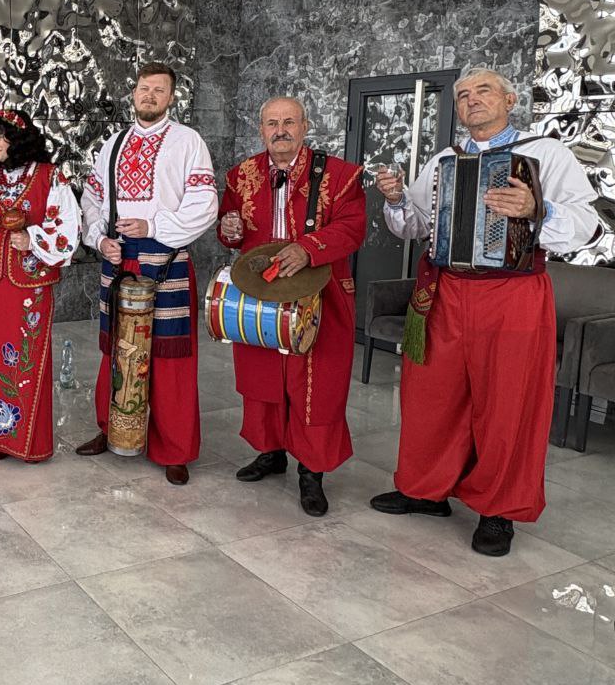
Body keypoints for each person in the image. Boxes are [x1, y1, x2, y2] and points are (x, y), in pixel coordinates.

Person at [372, 67, 598, 556]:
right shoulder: (444, 159)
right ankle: (426, 490)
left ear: (510, 100)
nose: (472, 99)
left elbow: (587, 225)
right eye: (463, 94)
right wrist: (396, 199)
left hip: (513, 293)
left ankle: (498, 509)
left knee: (507, 401)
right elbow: (414, 226)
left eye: (484, 91)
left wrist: (537, 208)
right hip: (447, 291)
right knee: (432, 393)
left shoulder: (547, 154)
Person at [218, 96, 366, 515]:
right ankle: (270, 452)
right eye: (271, 123)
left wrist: (308, 248)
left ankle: (312, 472)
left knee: (316, 384)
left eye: (288, 122)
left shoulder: (341, 175)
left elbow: (352, 227)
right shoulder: (241, 175)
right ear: (261, 129)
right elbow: (230, 230)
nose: (279, 130)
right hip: (261, 290)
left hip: (322, 289)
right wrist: (228, 229)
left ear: (305, 126)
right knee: (262, 374)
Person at [75, 62, 218, 485]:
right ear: (133, 93)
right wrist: (100, 238)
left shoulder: (188, 141)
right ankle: (111, 428)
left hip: (166, 257)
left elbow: (205, 205)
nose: (149, 95)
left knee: (170, 355)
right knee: (115, 347)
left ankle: (174, 447)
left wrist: (153, 226)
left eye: (159, 89)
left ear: (171, 97)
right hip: (119, 256)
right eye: (143, 88)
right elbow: (92, 200)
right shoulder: (113, 143)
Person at [0, 108, 80, 461]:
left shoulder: (50, 177)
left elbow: (68, 229)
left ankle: (24, 441)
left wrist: (32, 238)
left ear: (18, 139)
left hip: (29, 283)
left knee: (25, 356)